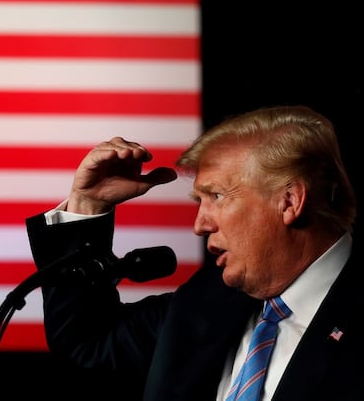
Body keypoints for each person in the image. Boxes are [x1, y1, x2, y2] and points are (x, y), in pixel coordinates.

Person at [25, 105, 362, 401]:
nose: (199, 225)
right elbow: (87, 342)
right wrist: (88, 206)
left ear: (289, 201)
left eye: (215, 196)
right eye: (199, 201)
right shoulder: (204, 301)